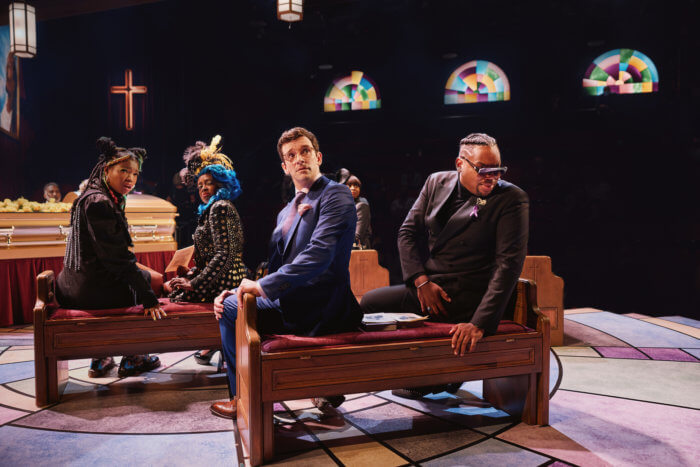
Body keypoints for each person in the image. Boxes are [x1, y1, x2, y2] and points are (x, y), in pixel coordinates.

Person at [361, 133, 529, 399]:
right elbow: (406, 233)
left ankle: (442, 376)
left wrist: (479, 323)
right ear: (460, 164)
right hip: (431, 287)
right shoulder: (436, 182)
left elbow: (507, 266)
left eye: (498, 170)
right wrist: (421, 282)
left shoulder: (511, 198)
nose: (492, 177)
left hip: (469, 296)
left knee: (422, 384)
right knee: (369, 303)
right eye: (483, 170)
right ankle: (412, 372)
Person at [209, 127, 362, 419]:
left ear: (318, 157)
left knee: (232, 309)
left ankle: (242, 400)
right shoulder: (285, 211)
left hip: (323, 307)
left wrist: (260, 287)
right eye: (291, 155)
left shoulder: (336, 194)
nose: (299, 158)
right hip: (292, 301)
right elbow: (277, 266)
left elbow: (319, 255)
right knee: (230, 303)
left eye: (305, 151)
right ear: (285, 166)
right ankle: (254, 394)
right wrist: (240, 289)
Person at [57, 137, 166, 378]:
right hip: (90, 289)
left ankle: (101, 356)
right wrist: (149, 297)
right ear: (107, 170)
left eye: (135, 173)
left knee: (147, 276)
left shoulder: (98, 195)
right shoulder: (99, 202)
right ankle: (133, 356)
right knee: (151, 284)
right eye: (124, 170)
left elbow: (114, 254)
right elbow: (118, 260)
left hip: (76, 283)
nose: (130, 178)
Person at [164, 136, 247, 365]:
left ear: (220, 183)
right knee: (173, 287)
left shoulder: (220, 207)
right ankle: (213, 344)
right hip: (221, 276)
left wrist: (195, 283)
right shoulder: (213, 209)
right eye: (199, 185)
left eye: (208, 183)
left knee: (173, 293)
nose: (202, 189)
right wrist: (193, 273)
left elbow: (224, 256)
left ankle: (212, 342)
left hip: (227, 280)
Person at [345, 175, 372, 249]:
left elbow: (357, 235)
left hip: (358, 248)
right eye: (349, 185)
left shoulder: (362, 205)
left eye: (356, 186)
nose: (353, 188)